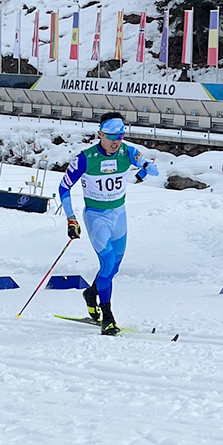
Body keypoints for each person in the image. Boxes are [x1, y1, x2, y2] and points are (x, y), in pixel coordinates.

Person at [58, 112, 159, 335]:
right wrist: (71, 219)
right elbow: (64, 187)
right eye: (111, 136)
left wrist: (146, 168)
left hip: (119, 215)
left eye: (120, 136)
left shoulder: (127, 151)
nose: (115, 142)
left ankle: (91, 293)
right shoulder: (86, 158)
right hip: (97, 216)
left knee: (114, 268)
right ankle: (108, 317)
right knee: (107, 261)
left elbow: (142, 163)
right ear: (100, 134)